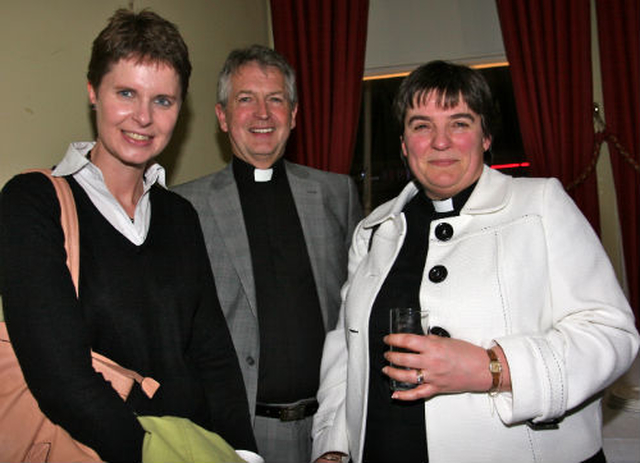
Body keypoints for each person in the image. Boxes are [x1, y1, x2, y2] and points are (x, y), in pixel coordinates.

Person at [311, 60, 640, 463]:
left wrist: (492, 368)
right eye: (421, 125)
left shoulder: (541, 205)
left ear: (486, 137)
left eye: (460, 123)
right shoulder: (374, 231)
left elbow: (611, 334)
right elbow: (346, 347)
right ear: (403, 143)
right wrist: (333, 444)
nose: (441, 141)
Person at [0, 9, 259, 462]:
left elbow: (212, 355)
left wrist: (241, 451)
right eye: (126, 93)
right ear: (92, 93)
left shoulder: (180, 216)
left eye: (163, 100)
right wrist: (158, 454)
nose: (143, 117)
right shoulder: (32, 203)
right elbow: (60, 379)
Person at [174, 44, 362, 463]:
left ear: (293, 114)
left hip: (331, 428)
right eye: (246, 100)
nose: (263, 113)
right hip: (239, 435)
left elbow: (358, 313)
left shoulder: (337, 194)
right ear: (223, 117)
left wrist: (342, 430)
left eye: (275, 99)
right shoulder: (183, 207)